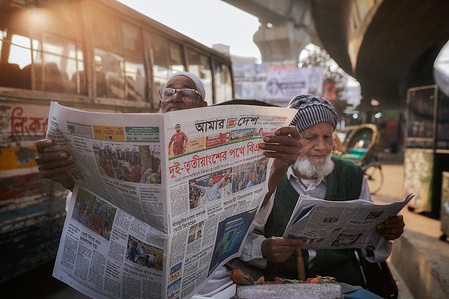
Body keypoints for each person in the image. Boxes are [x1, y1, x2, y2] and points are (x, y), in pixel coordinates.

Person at [34, 71, 303, 298]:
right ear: (161, 102)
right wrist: (70, 180)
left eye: (186, 93)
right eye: (169, 91)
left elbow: (249, 219)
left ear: (202, 105)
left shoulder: (221, 149)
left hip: (208, 289)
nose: (175, 97)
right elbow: (96, 211)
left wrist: (279, 168)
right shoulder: (140, 147)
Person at [240, 94, 405, 299]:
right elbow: (242, 240)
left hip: (343, 286)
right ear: (292, 138)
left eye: (327, 137)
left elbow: (371, 249)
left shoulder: (351, 176)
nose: (322, 146)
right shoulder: (269, 176)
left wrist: (384, 232)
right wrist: (263, 248)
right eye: (310, 138)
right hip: (281, 288)